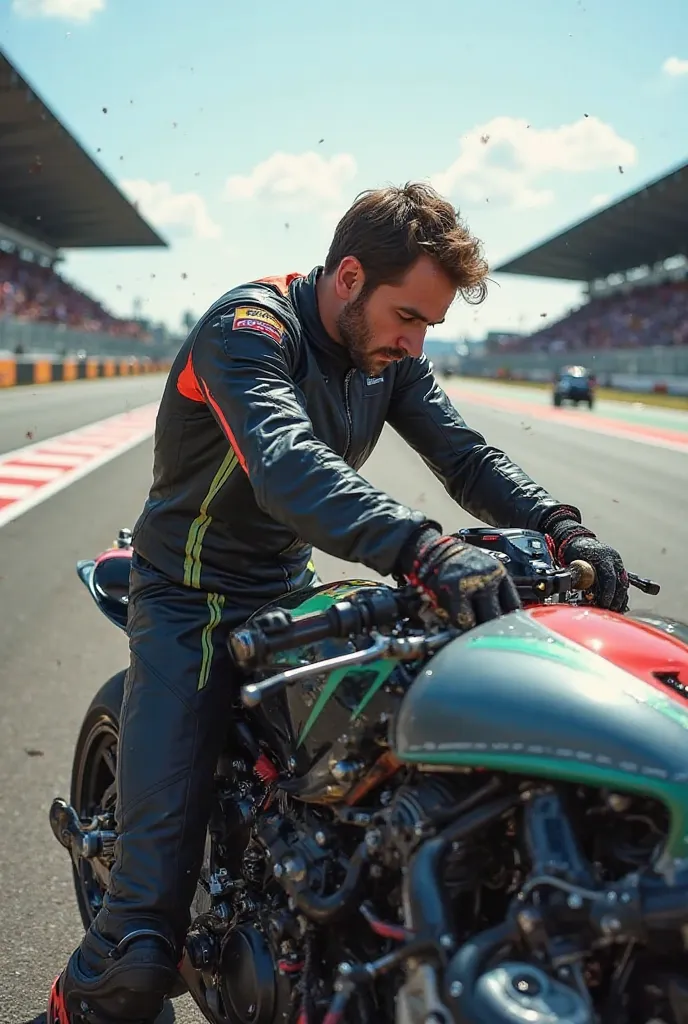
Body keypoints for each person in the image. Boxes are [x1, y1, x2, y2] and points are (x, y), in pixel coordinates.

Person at [49, 182, 628, 1023]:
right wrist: (423, 547)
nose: (416, 338)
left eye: (429, 324)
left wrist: (561, 526)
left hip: (286, 587)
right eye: (409, 316)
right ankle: (89, 987)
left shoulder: (385, 356)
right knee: (142, 946)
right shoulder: (247, 329)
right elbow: (284, 462)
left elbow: (464, 456)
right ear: (349, 277)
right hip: (189, 601)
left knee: (376, 755)